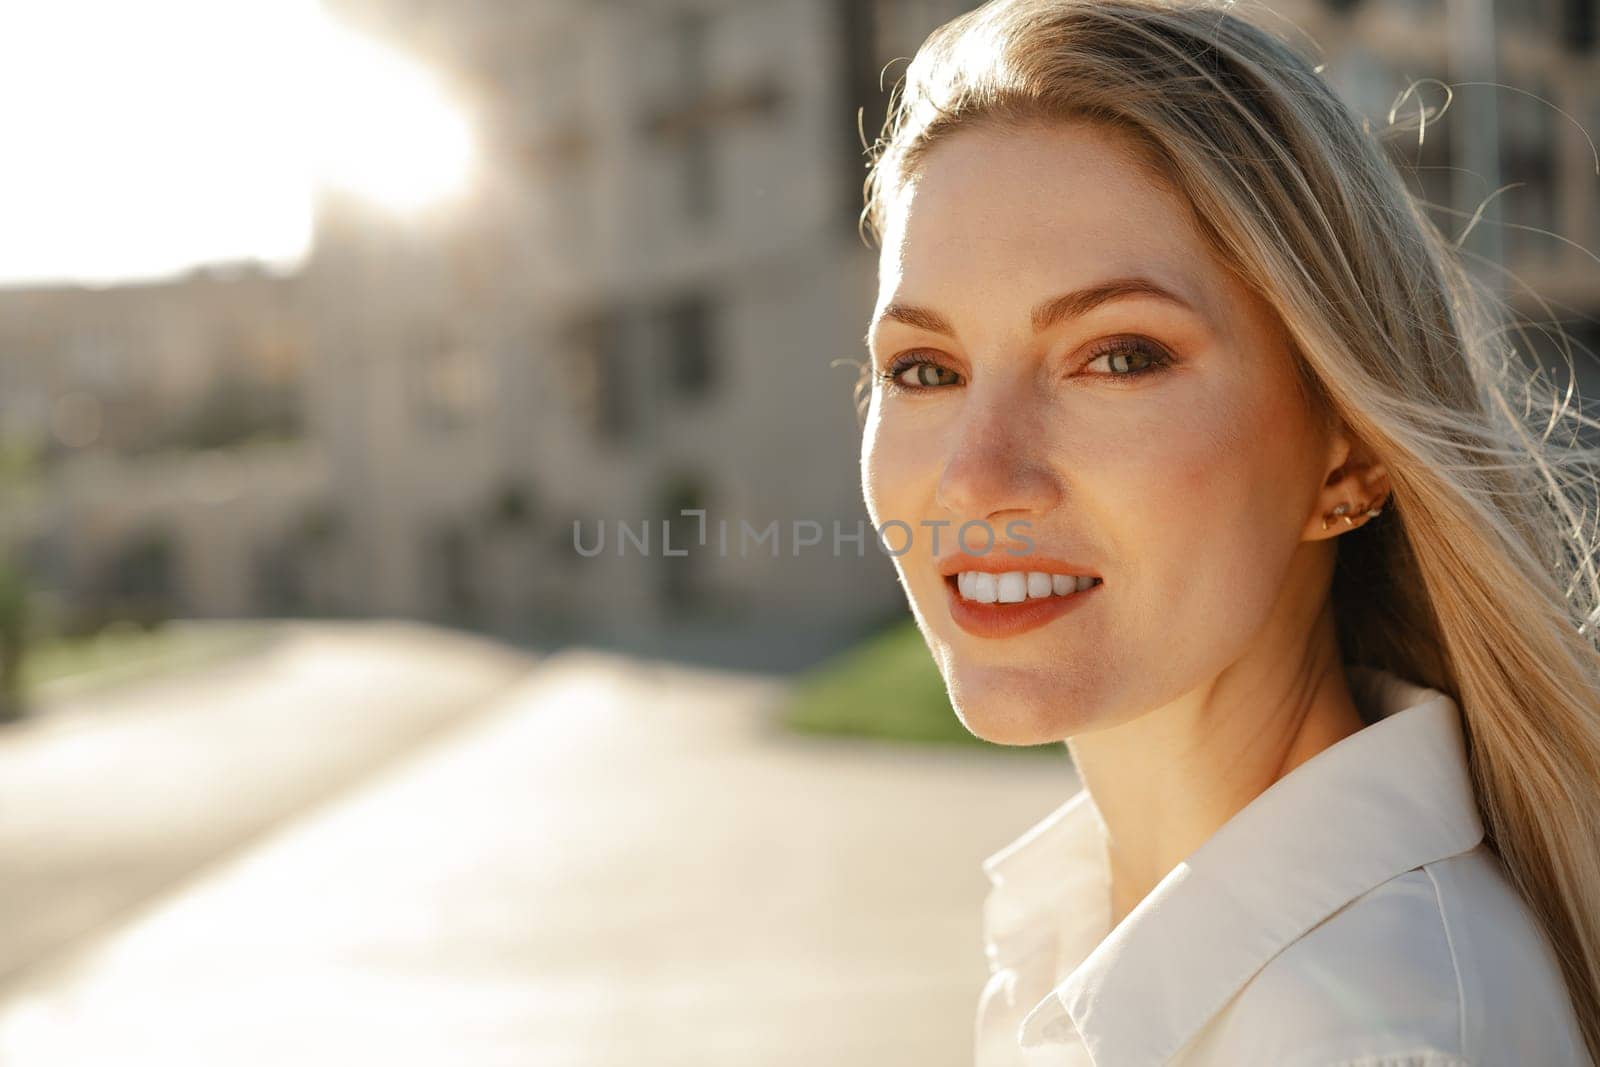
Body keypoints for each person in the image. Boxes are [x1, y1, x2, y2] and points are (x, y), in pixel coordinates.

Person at [853, 1, 1600, 1063]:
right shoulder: (1087, 927)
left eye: (1116, 356)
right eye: (925, 370)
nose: (975, 480)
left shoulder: (1374, 1029)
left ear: (1345, 451)